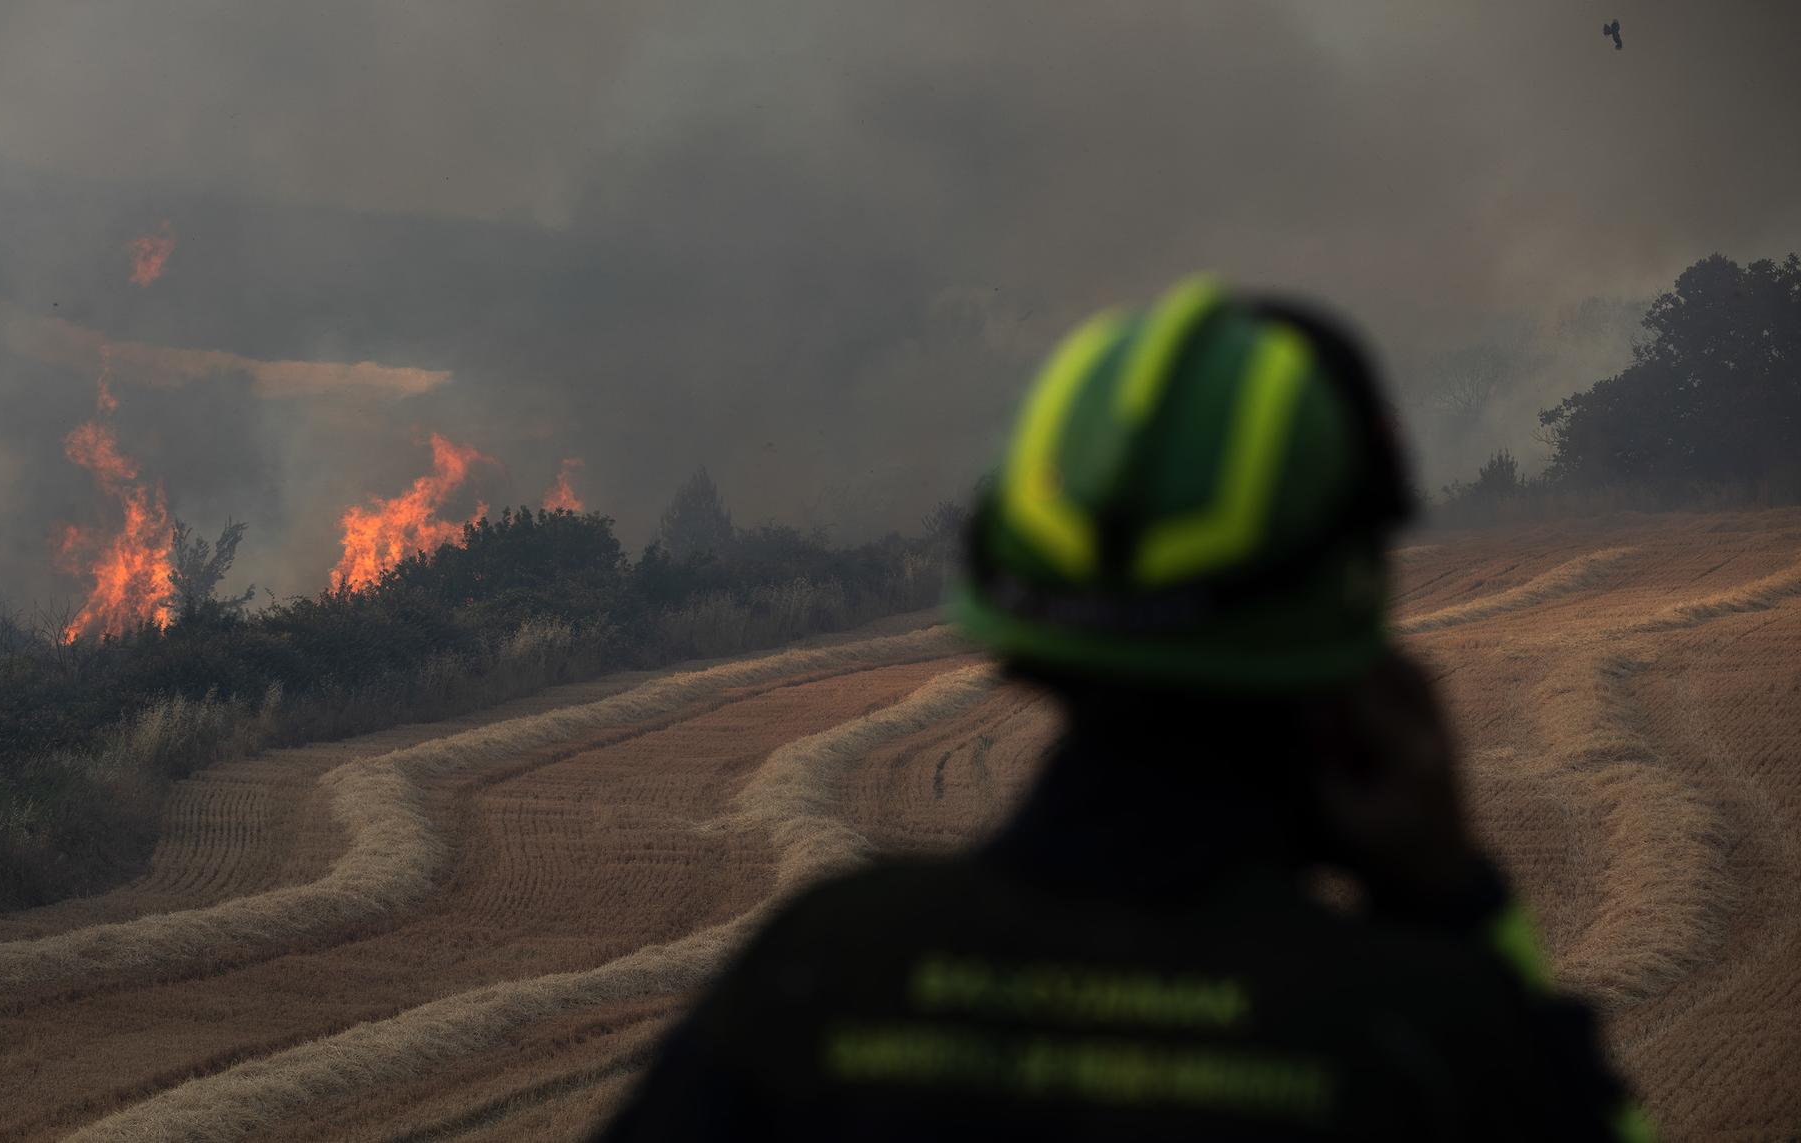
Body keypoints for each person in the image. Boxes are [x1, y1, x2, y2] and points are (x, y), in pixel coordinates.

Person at [598, 278, 1650, 1141]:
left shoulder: (820, 975)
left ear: (1015, 603)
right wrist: (1452, 901)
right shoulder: (1426, 1038)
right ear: (1348, 621)